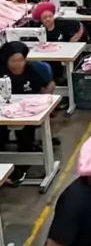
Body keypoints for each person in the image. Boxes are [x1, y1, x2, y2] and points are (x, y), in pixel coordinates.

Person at [0, 41, 55, 184]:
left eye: (21, 60)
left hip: (28, 110)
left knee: (25, 134)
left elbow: (50, 84)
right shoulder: (2, 72)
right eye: (13, 61)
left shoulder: (32, 70)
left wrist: (44, 98)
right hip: (6, 108)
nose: (18, 64)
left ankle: (22, 164)